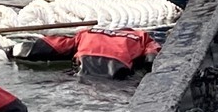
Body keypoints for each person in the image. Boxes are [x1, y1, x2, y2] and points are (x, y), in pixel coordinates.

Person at [12, 26, 162, 79]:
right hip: (117, 71)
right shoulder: (141, 36)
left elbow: (55, 46)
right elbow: (151, 57)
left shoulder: (88, 32)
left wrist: (13, 50)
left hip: (86, 67)